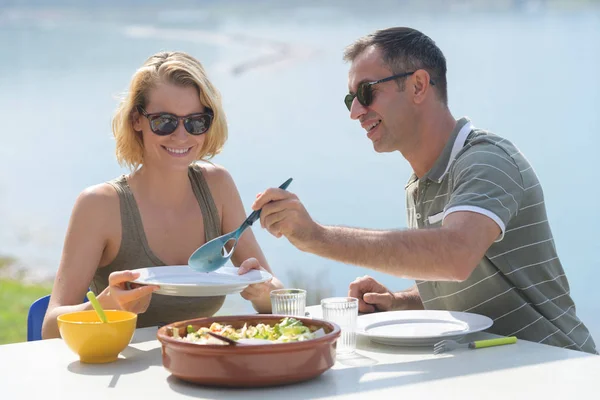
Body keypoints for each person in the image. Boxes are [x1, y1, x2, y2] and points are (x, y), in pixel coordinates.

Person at [252, 27, 597, 354]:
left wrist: (317, 237)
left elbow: (455, 255)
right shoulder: (421, 184)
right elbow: (463, 275)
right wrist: (398, 302)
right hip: (496, 368)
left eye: (366, 92)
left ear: (418, 85)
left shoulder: (488, 161)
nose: (356, 112)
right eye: (350, 100)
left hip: (557, 366)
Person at [42, 51, 283, 339]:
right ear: (136, 120)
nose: (181, 136)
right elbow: (49, 329)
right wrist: (106, 306)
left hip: (202, 367)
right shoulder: (99, 206)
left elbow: (277, 297)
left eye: (196, 121)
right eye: (164, 121)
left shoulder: (217, 186)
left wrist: (261, 292)